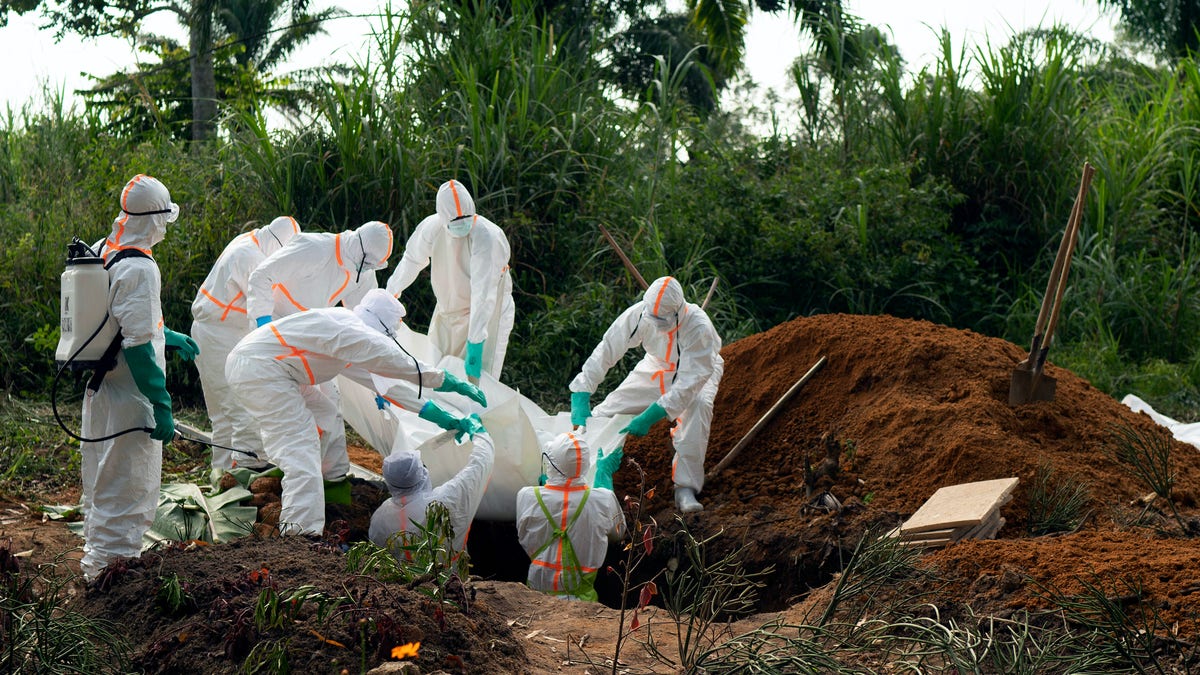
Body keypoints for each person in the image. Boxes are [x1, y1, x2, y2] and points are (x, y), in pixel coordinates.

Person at [225, 289, 486, 536]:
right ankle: (301, 535)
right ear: (381, 327)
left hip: (271, 370)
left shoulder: (346, 336)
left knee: (324, 411)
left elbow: (389, 387)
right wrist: (448, 381)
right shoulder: (350, 331)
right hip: (262, 371)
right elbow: (398, 362)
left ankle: (321, 484)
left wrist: (443, 417)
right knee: (300, 448)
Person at [80, 174, 196, 581]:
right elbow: (138, 348)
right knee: (128, 487)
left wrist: (168, 335)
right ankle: (114, 579)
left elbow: (118, 320)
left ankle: (97, 565)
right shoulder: (142, 268)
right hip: (131, 398)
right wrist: (161, 404)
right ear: (155, 220)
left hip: (100, 389)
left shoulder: (102, 249)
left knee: (102, 478)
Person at [245, 219, 394, 495]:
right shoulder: (312, 247)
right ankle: (289, 471)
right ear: (359, 248)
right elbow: (260, 277)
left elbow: (366, 322)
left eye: (374, 266)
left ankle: (333, 477)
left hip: (311, 334)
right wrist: (266, 327)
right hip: (276, 329)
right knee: (291, 407)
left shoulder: (361, 269)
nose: (369, 270)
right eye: (369, 263)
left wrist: (380, 376)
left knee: (329, 403)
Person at [568, 276, 723, 513]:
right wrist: (582, 390)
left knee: (698, 406)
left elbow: (687, 385)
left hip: (699, 370)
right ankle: (575, 460)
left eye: (662, 320)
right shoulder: (641, 313)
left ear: (678, 312)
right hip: (657, 366)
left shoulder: (698, 327)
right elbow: (608, 347)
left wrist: (650, 416)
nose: (656, 324)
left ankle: (685, 488)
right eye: (653, 318)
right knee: (609, 409)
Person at [190, 216, 301, 474]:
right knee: (241, 406)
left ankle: (223, 473)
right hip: (220, 336)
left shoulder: (249, 240)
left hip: (215, 331)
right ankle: (246, 475)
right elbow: (264, 307)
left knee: (223, 414)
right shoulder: (251, 258)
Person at [385, 180, 514, 381]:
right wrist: (390, 295)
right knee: (436, 371)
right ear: (443, 218)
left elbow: (483, 293)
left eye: (466, 218)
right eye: (455, 221)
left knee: (480, 380)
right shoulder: (432, 228)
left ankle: (477, 412)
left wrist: (476, 342)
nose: (461, 223)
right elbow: (411, 260)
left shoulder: (487, 236)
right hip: (447, 310)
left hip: (486, 314)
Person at [514, 432, 625, 601]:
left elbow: (524, 532)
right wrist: (604, 481)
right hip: (583, 605)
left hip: (536, 601)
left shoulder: (527, 496)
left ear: (551, 464)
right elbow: (619, 534)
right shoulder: (603, 500)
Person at [368, 424, 495, 556]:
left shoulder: (380, 517)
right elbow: (480, 465)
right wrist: (479, 432)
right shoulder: (445, 501)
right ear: (422, 474)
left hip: (398, 577)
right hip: (450, 575)